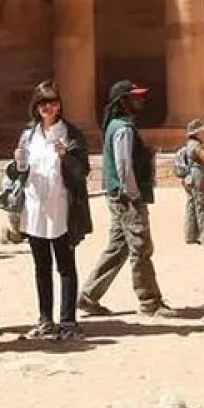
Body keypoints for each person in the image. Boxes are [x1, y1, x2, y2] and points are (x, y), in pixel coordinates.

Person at [78, 79, 172, 317]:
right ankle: (150, 301)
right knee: (140, 247)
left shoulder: (116, 125)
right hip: (126, 197)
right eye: (134, 97)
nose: (140, 100)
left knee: (118, 247)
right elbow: (123, 165)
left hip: (117, 195)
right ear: (123, 101)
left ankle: (88, 296)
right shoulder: (123, 128)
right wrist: (134, 194)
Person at [14, 81, 93, 339]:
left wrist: (65, 156)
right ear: (36, 106)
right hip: (35, 207)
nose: (48, 108)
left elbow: (82, 170)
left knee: (65, 265)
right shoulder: (28, 135)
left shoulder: (71, 133)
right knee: (41, 266)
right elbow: (20, 172)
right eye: (43, 103)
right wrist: (18, 165)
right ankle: (45, 319)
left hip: (62, 207)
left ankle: (68, 321)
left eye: (53, 102)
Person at [178, 118, 204, 245]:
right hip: (198, 175)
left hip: (190, 177)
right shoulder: (196, 145)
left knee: (191, 205)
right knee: (203, 205)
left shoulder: (188, 144)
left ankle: (190, 236)